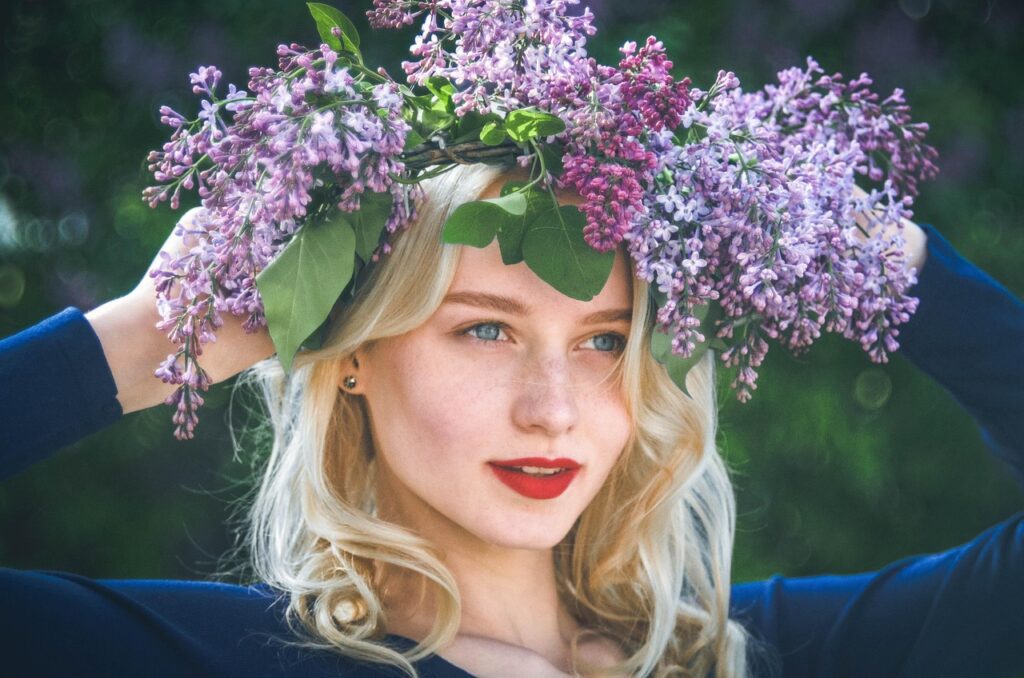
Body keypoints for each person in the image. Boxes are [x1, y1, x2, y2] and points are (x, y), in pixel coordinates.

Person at [1, 161, 1022, 678]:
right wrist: (144, 340)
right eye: (484, 331)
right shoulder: (223, 659)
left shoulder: (754, 654)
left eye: (604, 340)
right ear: (352, 358)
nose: (553, 410)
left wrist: (891, 263)